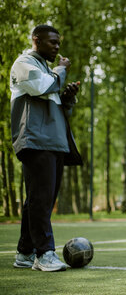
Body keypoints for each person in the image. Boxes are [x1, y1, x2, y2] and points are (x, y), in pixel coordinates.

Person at [10, 24, 81, 272]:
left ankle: (25, 252)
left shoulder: (48, 72)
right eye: (52, 42)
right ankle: (45, 253)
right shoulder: (24, 63)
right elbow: (40, 87)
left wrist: (68, 98)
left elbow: (56, 107)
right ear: (36, 41)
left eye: (58, 42)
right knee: (41, 199)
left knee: (40, 199)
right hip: (35, 140)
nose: (57, 47)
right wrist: (61, 71)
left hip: (53, 141)